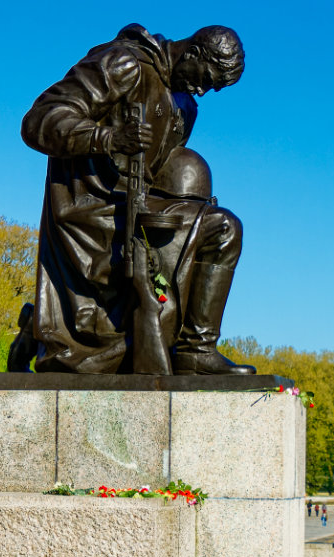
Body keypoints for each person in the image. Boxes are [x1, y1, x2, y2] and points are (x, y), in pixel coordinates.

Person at [17, 24, 254, 375]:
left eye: (212, 88)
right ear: (192, 53)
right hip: (91, 213)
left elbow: (158, 171)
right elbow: (39, 121)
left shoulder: (185, 105)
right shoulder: (123, 64)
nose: (202, 91)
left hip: (138, 208)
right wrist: (107, 138)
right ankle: (42, 326)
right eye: (205, 78)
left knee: (220, 229)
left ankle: (195, 349)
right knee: (220, 230)